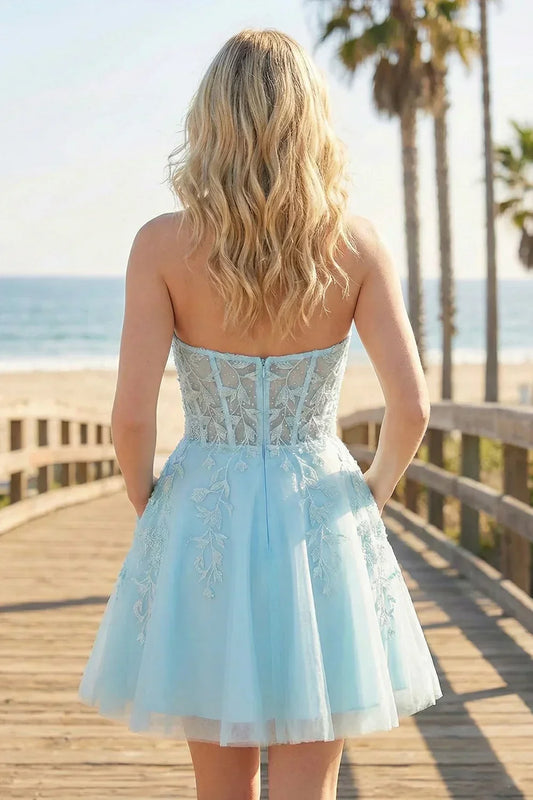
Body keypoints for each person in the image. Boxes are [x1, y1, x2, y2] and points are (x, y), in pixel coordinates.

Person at [78, 27, 443, 800]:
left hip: (205, 510)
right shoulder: (357, 245)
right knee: (310, 783)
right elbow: (411, 405)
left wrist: (150, 501)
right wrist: (371, 493)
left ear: (211, 117)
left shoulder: (161, 245)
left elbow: (132, 418)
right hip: (320, 511)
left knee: (221, 786)